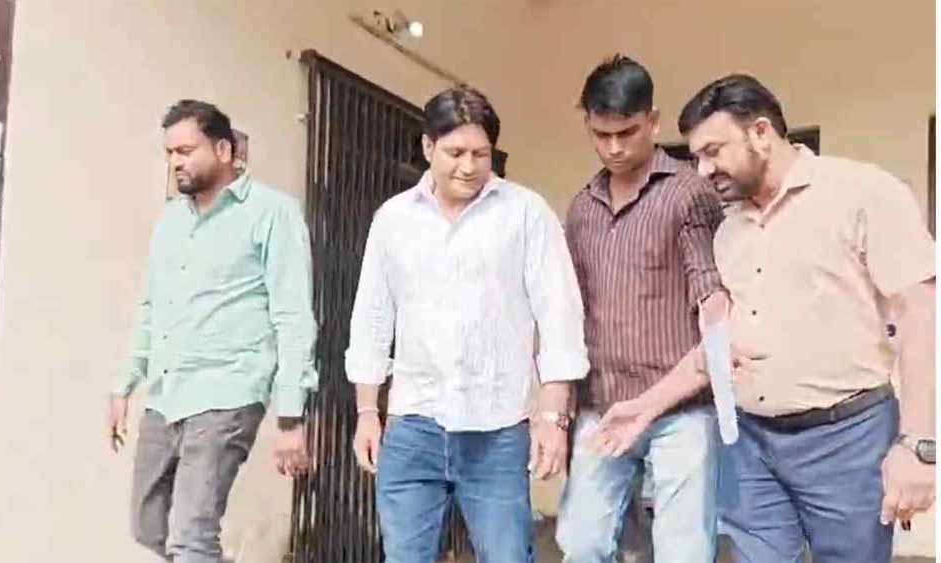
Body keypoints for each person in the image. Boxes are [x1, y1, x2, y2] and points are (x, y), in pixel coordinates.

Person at [610, 73, 936, 562]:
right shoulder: (729, 231)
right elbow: (721, 346)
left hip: (847, 441)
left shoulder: (863, 194)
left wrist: (920, 445)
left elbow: (921, 316)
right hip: (751, 445)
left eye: (713, 151)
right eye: (696, 157)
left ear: (761, 132)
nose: (702, 170)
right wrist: (645, 406)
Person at [346, 86, 589, 563]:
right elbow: (372, 317)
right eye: (455, 152)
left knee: (507, 555)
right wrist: (367, 412)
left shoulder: (525, 213)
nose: (468, 166)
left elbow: (559, 315)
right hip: (413, 427)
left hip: (497, 430)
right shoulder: (394, 220)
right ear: (427, 147)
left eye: (480, 154)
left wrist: (552, 417)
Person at [107, 99, 318, 563]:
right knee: (148, 526)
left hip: (229, 390)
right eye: (169, 153)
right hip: (167, 392)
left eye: (186, 151)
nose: (175, 162)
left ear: (223, 150)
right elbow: (152, 307)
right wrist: (125, 383)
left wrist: (290, 416)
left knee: (191, 536)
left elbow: (293, 315)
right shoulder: (171, 221)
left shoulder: (272, 213)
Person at [554, 55, 727, 563]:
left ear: (652, 121)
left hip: (682, 410)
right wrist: (558, 406)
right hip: (602, 405)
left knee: (683, 551)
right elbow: (570, 308)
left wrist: (723, 353)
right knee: (581, 542)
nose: (614, 147)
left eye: (626, 132)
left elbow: (711, 293)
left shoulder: (689, 193)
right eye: (601, 135)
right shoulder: (582, 208)